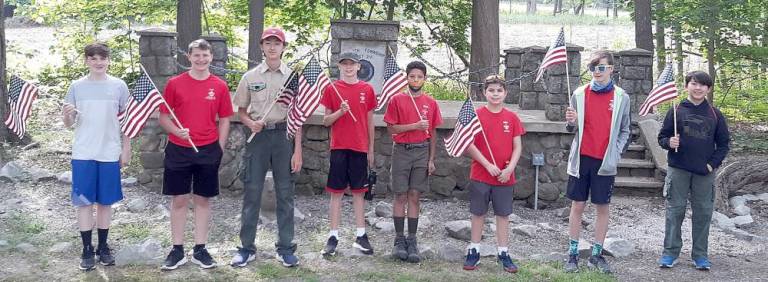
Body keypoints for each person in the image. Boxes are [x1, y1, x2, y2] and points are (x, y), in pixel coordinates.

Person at [158, 39, 233, 270]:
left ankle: (200, 249)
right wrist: (175, 130)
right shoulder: (174, 83)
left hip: (208, 149)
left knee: (202, 199)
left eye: (205, 55)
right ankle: (177, 249)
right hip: (178, 149)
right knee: (179, 199)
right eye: (196, 55)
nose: (201, 60)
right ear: (188, 57)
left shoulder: (219, 86)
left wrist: (219, 147)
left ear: (211, 57)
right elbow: (163, 117)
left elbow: (225, 119)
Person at [230, 27, 301, 268]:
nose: (272, 47)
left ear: (283, 47)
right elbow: (240, 109)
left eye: (277, 43)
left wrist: (298, 151)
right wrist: (250, 122)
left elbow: (298, 116)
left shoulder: (292, 77)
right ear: (261, 46)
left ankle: (285, 247)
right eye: (268, 43)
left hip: (283, 137)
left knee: (285, 193)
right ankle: (246, 248)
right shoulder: (250, 77)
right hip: (258, 139)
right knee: (252, 192)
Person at [62, 42, 131, 271]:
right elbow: (68, 123)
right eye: (93, 58)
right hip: (83, 152)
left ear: (108, 60)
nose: (98, 62)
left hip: (110, 152)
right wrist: (67, 116)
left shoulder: (119, 86)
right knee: (83, 202)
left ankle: (103, 246)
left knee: (105, 202)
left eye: (102, 58)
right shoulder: (76, 86)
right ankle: (86, 249)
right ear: (86, 61)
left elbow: (128, 120)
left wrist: (126, 147)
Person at [563, 50, 630, 274]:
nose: (597, 72)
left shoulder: (621, 97)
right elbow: (571, 128)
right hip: (581, 159)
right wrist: (571, 123)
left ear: (611, 69)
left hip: (605, 162)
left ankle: (596, 254)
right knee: (578, 205)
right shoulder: (579, 94)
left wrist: (615, 153)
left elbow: (625, 130)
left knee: (602, 207)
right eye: (592, 68)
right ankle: (572, 253)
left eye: (601, 68)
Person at [657, 71, 730, 270]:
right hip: (678, 169)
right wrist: (669, 142)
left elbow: (723, 145)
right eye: (694, 84)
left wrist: (711, 164)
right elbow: (661, 138)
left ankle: (700, 256)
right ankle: (670, 253)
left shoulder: (715, 114)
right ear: (687, 86)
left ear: (708, 89)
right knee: (675, 211)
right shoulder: (676, 110)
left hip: (704, 173)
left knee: (703, 213)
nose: (698, 88)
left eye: (702, 85)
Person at [462, 75, 525, 273]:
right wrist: (488, 164)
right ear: (484, 93)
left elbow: (517, 147)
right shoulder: (476, 115)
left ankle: (503, 253)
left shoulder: (512, 117)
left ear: (505, 93)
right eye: (491, 90)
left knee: (503, 215)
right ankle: (474, 250)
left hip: (505, 177)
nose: (495, 94)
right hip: (481, 174)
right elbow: (468, 144)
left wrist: (509, 169)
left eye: (499, 90)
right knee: (478, 213)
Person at [383, 61, 443, 263]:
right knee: (400, 195)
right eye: (412, 76)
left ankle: (412, 239)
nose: (415, 80)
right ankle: (399, 239)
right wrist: (414, 125)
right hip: (402, 150)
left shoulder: (431, 103)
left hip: (421, 151)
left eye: (419, 76)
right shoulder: (397, 100)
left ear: (425, 79)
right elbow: (392, 129)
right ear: (407, 78)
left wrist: (431, 158)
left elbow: (432, 132)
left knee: (415, 195)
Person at [319, 52, 377, 257]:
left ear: (359, 66)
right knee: (336, 192)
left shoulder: (367, 89)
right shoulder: (332, 88)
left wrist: (371, 149)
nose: (348, 67)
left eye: (352, 64)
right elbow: (326, 121)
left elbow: (370, 122)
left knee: (359, 192)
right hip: (339, 147)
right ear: (339, 66)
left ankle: (361, 235)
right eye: (345, 64)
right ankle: (333, 236)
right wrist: (340, 112)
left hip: (360, 148)